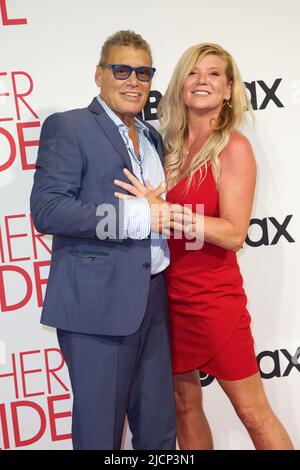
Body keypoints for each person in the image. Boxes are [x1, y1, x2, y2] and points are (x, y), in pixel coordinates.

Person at [113, 43, 294, 450]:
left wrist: (167, 211)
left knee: (251, 412)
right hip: (166, 299)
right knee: (182, 404)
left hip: (214, 301)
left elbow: (233, 233)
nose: (202, 81)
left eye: (214, 74)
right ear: (180, 86)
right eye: (194, 73)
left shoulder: (233, 147)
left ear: (229, 89)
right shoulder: (163, 147)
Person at [30, 30, 191, 450]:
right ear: (99, 74)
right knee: (101, 434)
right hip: (98, 309)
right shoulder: (69, 127)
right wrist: (138, 215)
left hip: (153, 299)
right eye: (122, 70)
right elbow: (48, 212)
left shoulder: (153, 137)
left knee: (158, 433)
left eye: (143, 72)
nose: (133, 80)